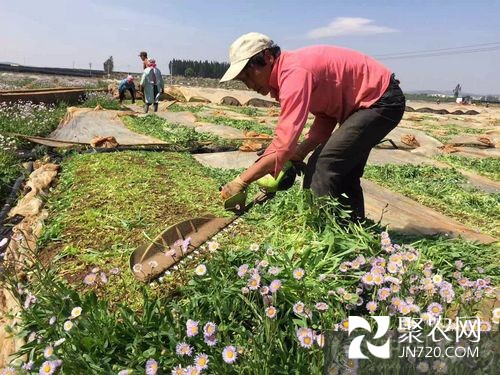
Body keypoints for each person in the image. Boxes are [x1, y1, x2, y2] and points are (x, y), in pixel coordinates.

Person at [219, 32, 405, 222]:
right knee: (345, 171)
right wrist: (298, 154)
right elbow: (325, 119)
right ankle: (351, 230)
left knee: (324, 164)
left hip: (380, 102)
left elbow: (283, 145)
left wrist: (240, 182)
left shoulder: (294, 73)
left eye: (248, 75)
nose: (249, 85)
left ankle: (321, 229)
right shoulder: (294, 70)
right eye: (243, 81)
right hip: (370, 105)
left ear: (267, 57)